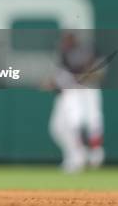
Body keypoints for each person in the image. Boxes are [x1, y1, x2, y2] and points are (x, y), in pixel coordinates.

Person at [48, 32, 105, 173]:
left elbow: (98, 72)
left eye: (69, 38)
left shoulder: (89, 49)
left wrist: (86, 75)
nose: (66, 41)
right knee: (73, 123)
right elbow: (59, 77)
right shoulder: (64, 54)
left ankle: (94, 152)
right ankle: (79, 155)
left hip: (87, 89)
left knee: (92, 119)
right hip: (71, 91)